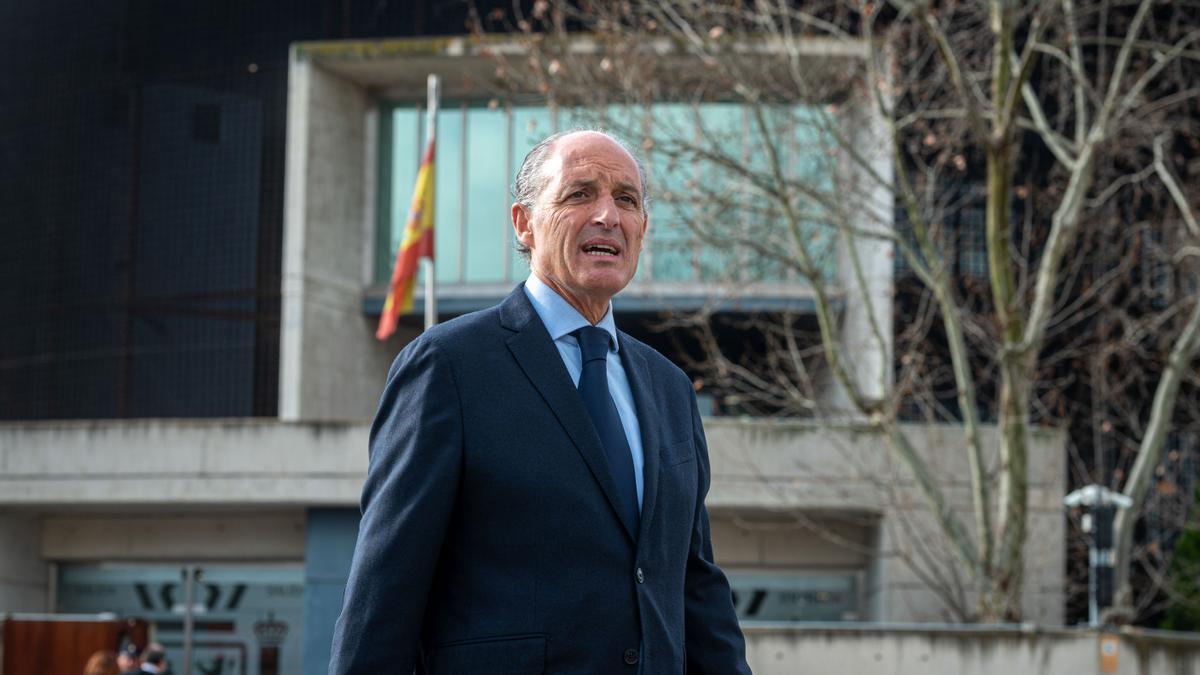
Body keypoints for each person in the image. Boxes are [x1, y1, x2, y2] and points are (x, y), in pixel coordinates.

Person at [330, 130, 752, 674]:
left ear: (642, 228)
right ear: (524, 223)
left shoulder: (670, 388)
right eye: (579, 194)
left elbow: (695, 588)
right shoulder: (448, 365)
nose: (608, 215)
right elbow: (384, 589)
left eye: (627, 200)